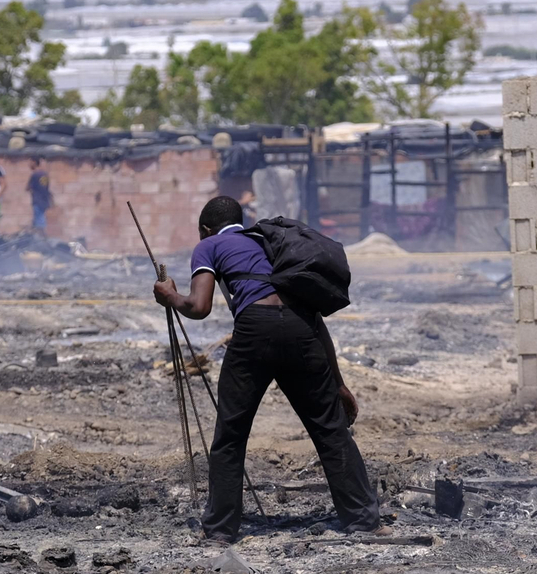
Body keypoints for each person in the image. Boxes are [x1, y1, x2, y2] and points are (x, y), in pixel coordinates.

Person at [153, 195, 382, 544]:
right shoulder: (270, 240)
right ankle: (364, 522)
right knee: (331, 430)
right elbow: (316, 320)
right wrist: (338, 383)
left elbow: (198, 307)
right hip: (302, 330)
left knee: (230, 436)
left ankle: (219, 531)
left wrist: (169, 295)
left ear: (205, 229)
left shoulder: (209, 245)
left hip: (254, 330)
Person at [26, 157, 52, 234]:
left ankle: (42, 237)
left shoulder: (34, 175)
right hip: (45, 200)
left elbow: (28, 187)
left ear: (34, 162)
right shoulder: (45, 174)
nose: (29, 164)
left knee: (39, 221)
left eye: (30, 162)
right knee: (38, 219)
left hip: (37, 200)